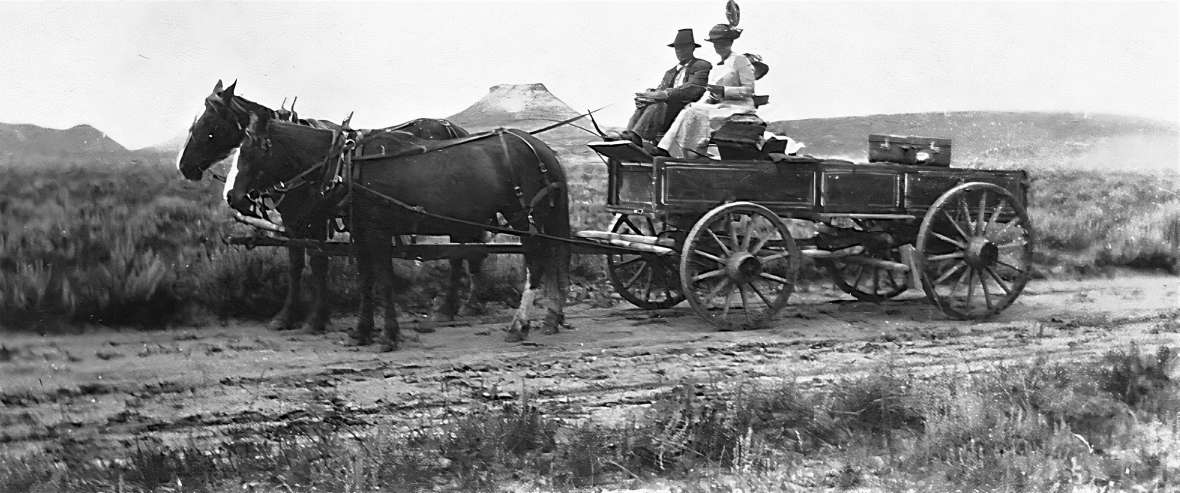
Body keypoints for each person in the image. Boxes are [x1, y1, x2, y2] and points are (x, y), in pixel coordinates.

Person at [657, 23, 756, 159]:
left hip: (739, 106)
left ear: (730, 42)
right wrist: (704, 101)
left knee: (693, 112)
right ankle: (673, 150)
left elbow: (749, 90)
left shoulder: (740, 60)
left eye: (721, 43)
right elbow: (709, 92)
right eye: (715, 43)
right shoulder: (716, 66)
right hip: (719, 105)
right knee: (690, 109)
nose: (718, 46)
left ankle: (686, 152)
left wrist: (724, 91)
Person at [621, 29, 712, 146]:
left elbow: (693, 89)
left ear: (692, 48)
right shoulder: (670, 72)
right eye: (677, 48)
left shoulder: (701, 66)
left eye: (683, 47)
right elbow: (660, 89)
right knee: (649, 101)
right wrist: (647, 96)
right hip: (667, 112)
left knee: (659, 104)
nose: (680, 51)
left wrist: (664, 94)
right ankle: (629, 134)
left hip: (686, 111)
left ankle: (636, 137)